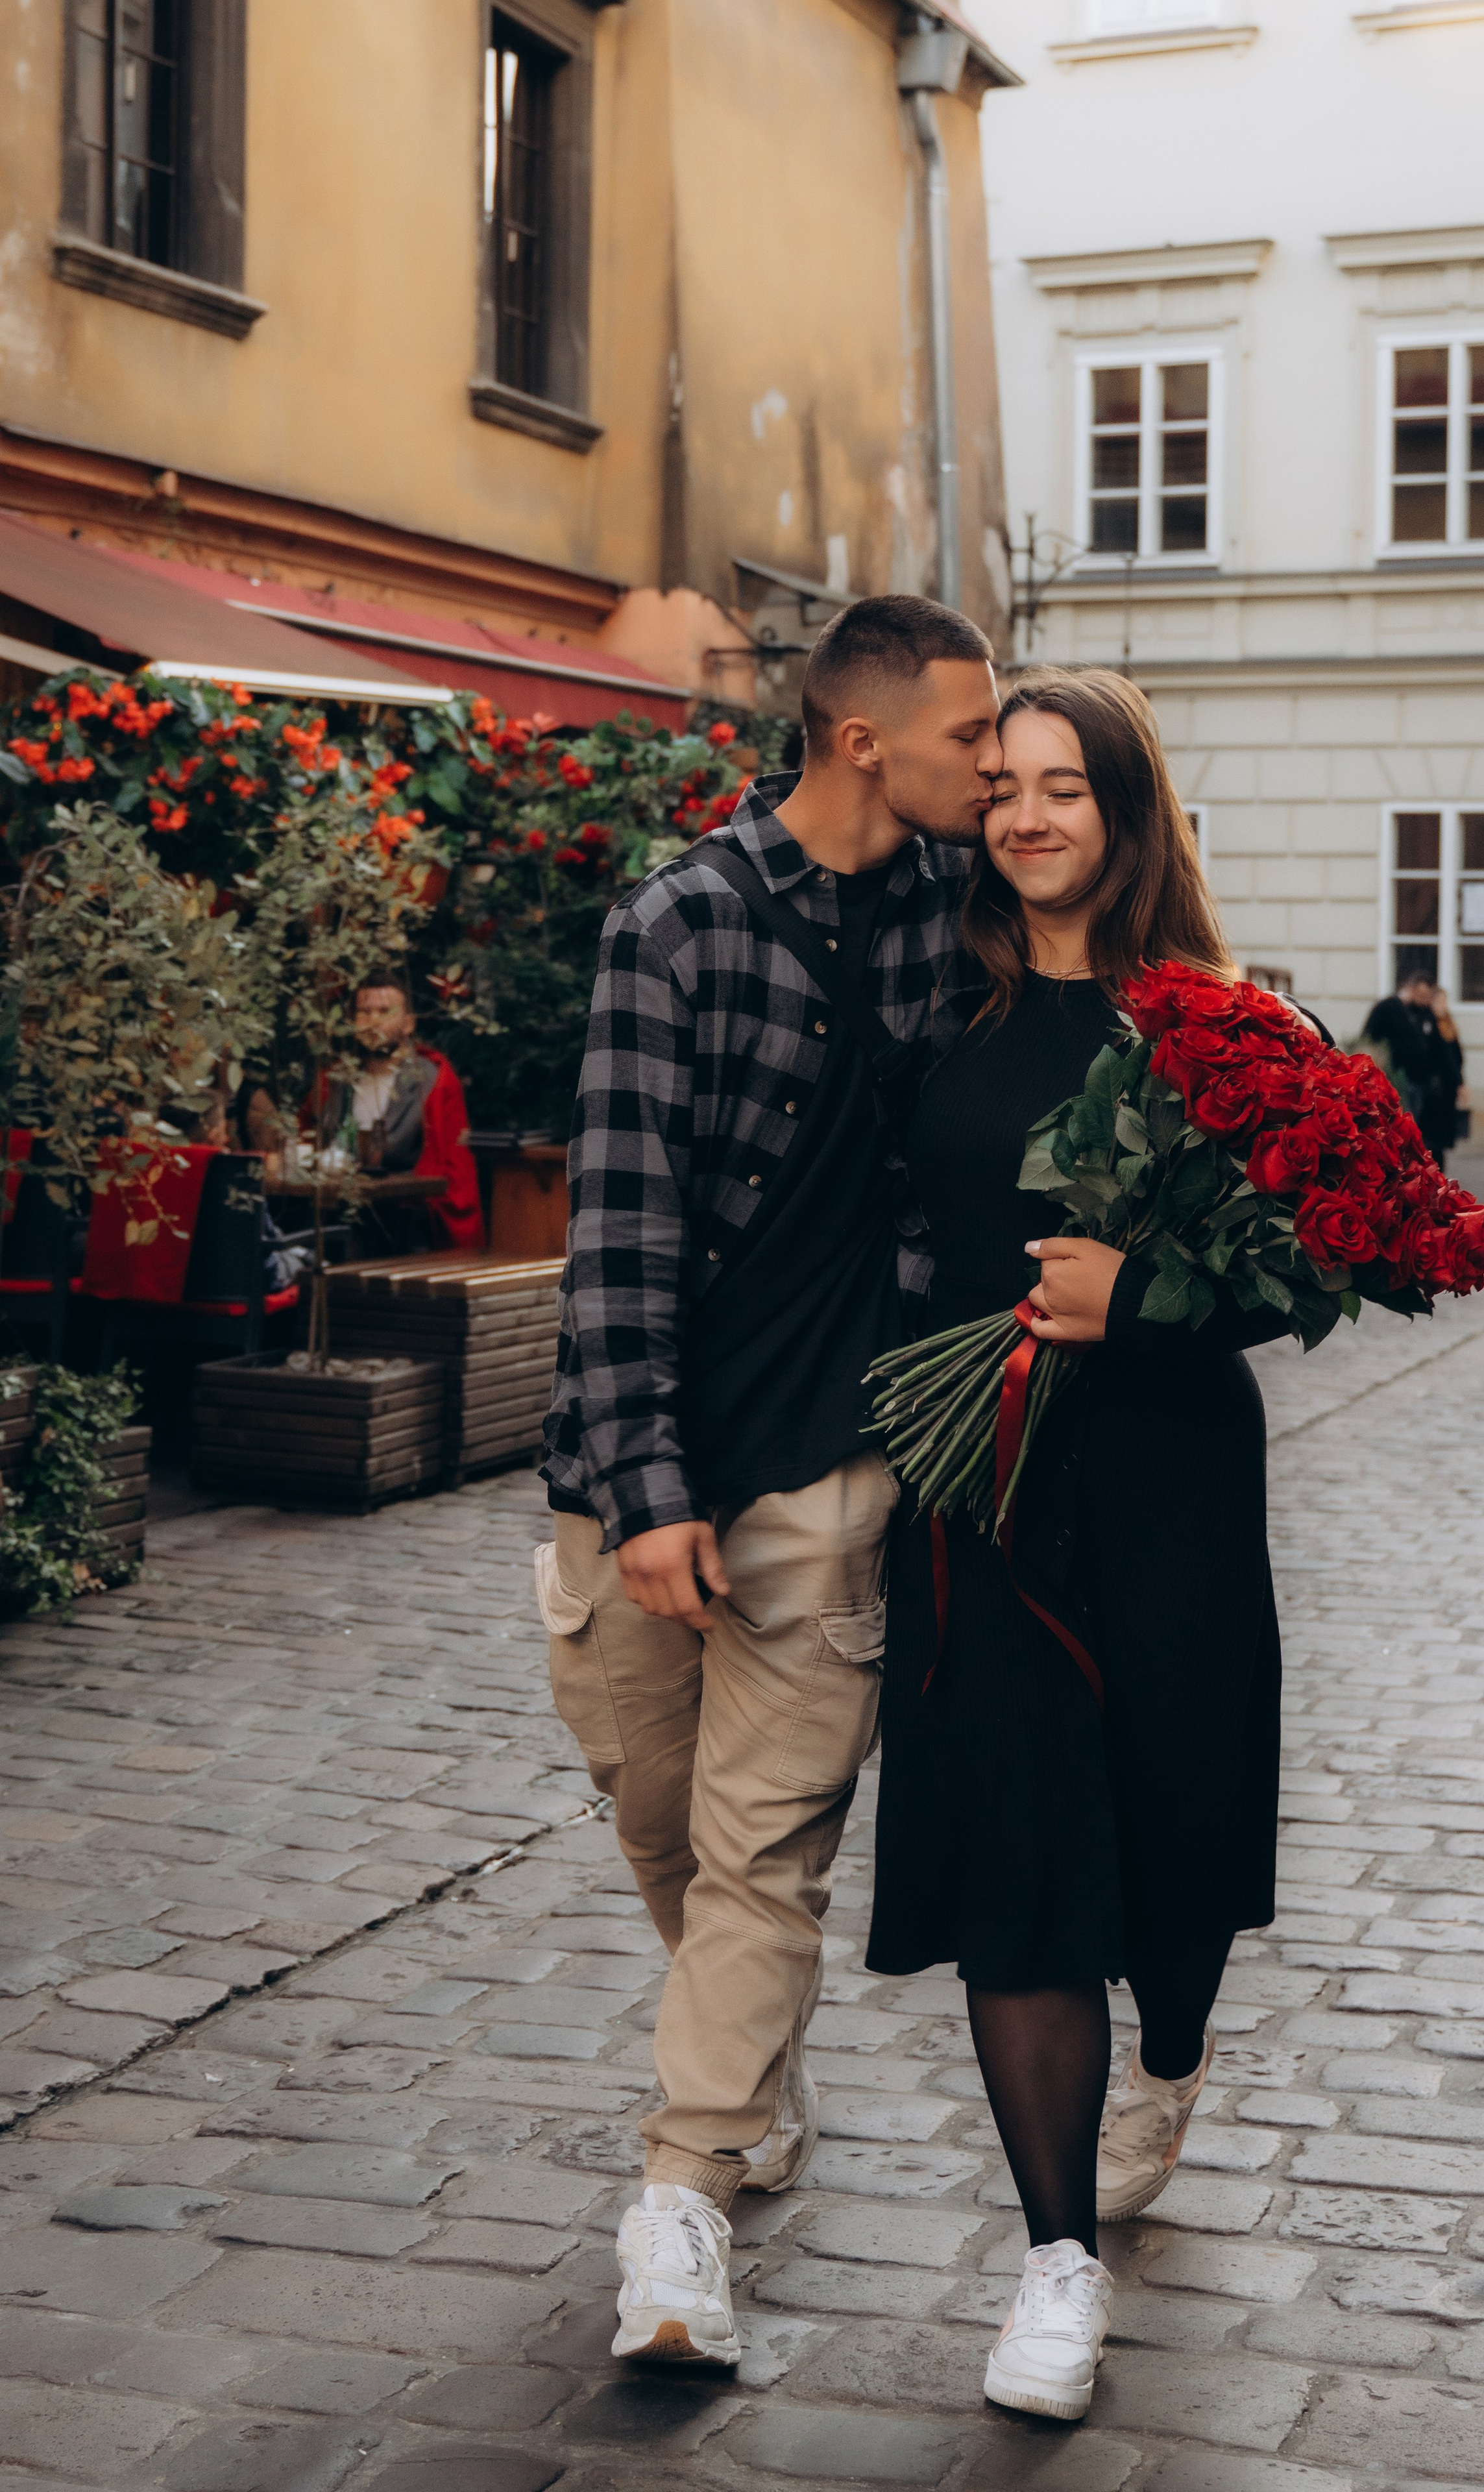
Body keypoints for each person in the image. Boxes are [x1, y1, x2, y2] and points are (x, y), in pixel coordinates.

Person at [538, 594, 1001, 2367]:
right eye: (972, 734)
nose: (995, 760)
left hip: (832, 1479)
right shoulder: (678, 929)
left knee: (764, 1864)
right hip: (634, 1487)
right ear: (863, 739)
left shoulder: (963, 941)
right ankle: (745, 2075)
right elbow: (620, 1231)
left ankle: (680, 2207)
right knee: (662, 1830)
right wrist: (650, 1488)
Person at [868, 666, 1295, 2425]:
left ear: (1130, 810)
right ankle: (1057, 2265)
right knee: (1024, 1865)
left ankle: (1175, 2050)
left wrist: (1155, 1293)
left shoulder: (1221, 1023)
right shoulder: (937, 1011)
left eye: (1069, 786)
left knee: (1177, 1853)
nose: (1030, 815)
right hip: (987, 1493)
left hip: (1174, 1484)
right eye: (1007, 787)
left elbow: (1309, 1268)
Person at [317, 970, 486, 1253]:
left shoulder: (432, 1080)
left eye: (385, 1011)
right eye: (364, 1012)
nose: (373, 1022)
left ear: (408, 1024)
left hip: (405, 1220)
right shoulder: (337, 1081)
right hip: (338, 1212)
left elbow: (450, 1165)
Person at [1363, 971, 1464, 1168]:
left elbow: (1440, 1048)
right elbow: (1369, 1040)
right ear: (1411, 988)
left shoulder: (1423, 1012)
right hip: (1398, 1082)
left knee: (1423, 1132)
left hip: (1423, 1082)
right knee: (1402, 1129)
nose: (1426, 1002)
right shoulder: (1387, 1009)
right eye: (1423, 996)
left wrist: (1457, 1079)